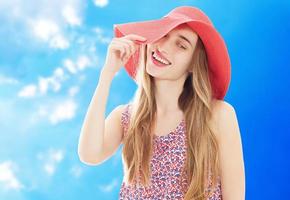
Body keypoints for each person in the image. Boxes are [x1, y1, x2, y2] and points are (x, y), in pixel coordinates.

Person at [78, 6, 245, 200]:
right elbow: (89, 155)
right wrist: (106, 76)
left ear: (193, 64)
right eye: (163, 35)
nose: (164, 47)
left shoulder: (218, 115)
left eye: (181, 45)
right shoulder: (126, 118)